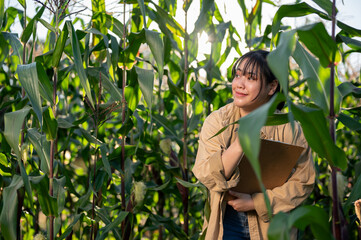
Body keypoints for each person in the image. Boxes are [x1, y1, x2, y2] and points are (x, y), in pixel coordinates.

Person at [192, 50, 315, 240]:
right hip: (226, 223)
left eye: (251, 78)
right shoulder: (217, 122)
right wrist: (241, 143)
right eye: (238, 75)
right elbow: (207, 175)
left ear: (272, 86)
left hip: (272, 227)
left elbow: (304, 183)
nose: (239, 84)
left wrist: (256, 203)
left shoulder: (292, 129)